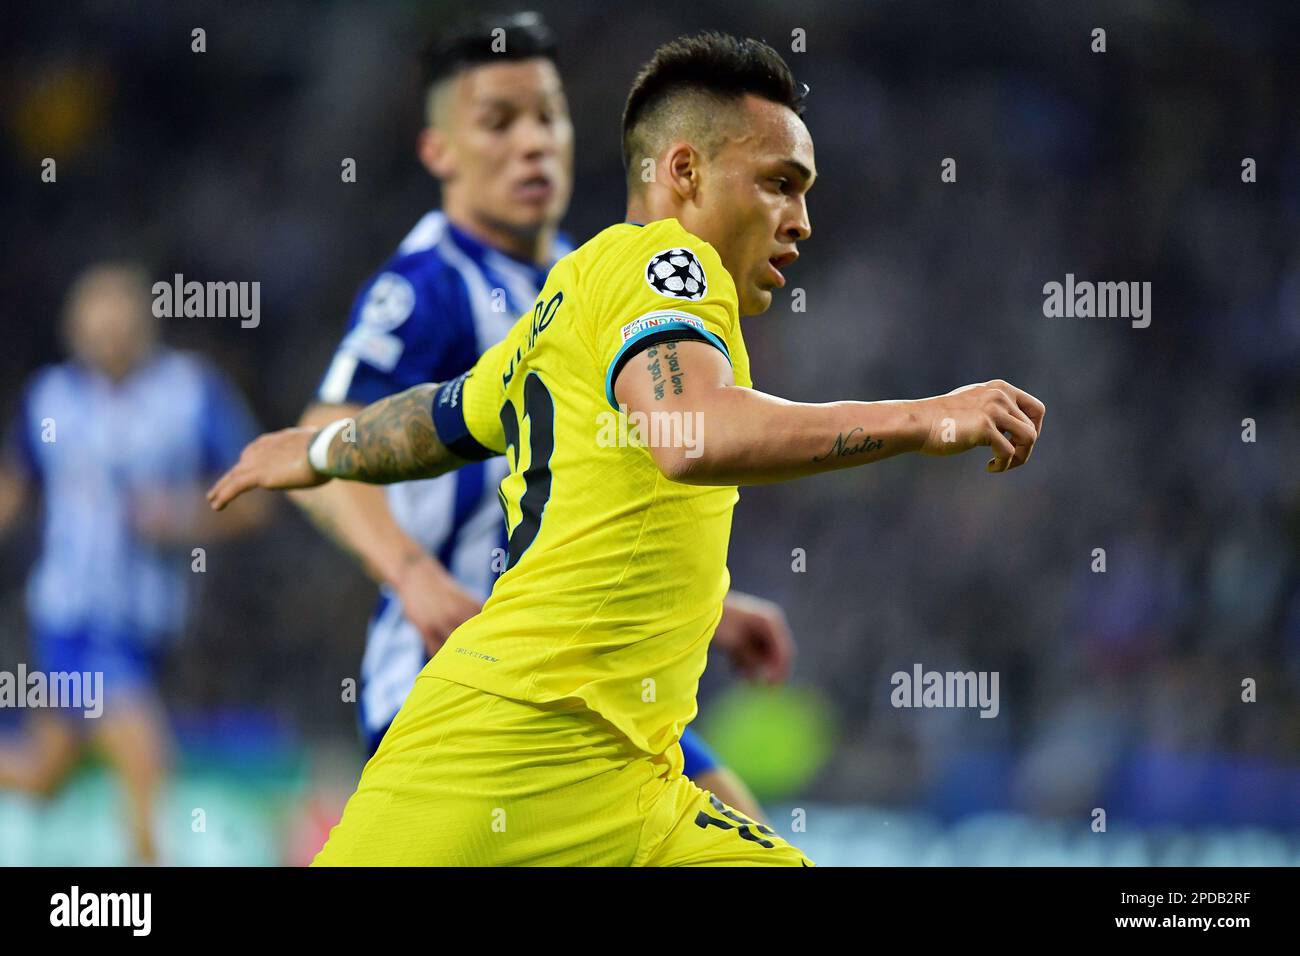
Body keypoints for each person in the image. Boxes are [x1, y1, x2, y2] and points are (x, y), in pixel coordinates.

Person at [209, 32, 1045, 866]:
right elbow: (690, 436)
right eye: (778, 185)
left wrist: (322, 451)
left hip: (633, 775)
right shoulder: (664, 263)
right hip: (506, 742)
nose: (800, 221)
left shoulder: (567, 294)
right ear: (684, 172)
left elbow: (442, 419)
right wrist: (930, 417)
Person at [292, 14, 786, 820]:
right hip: (451, 686)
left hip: (573, 682)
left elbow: (581, 484)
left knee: (740, 822)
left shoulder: (583, 277)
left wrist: (710, 608)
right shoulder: (429, 285)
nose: (534, 142)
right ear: (440, 152)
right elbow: (323, 448)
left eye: (549, 115)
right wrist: (413, 575)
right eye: (499, 121)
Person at [0, 262, 265, 864]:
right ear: (74, 330)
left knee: (44, 777)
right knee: (148, 763)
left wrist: (182, 517)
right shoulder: (52, 399)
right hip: (73, 620)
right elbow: (13, 490)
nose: (107, 337)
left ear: (145, 323)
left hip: (149, 629)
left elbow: (254, 503)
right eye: (94, 325)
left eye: (118, 322)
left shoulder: (191, 394)